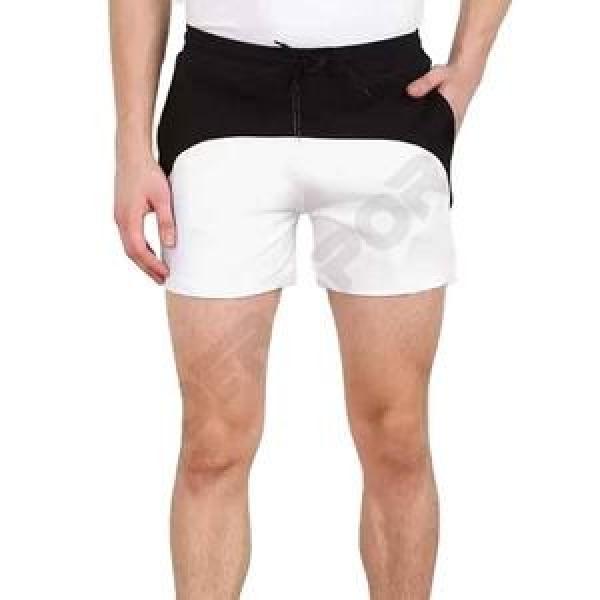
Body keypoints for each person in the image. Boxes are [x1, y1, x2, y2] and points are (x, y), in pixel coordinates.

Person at [110, 0, 510, 597]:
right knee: (213, 440)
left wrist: (469, 67)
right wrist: (131, 146)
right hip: (220, 110)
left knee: (396, 435)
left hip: (387, 106)